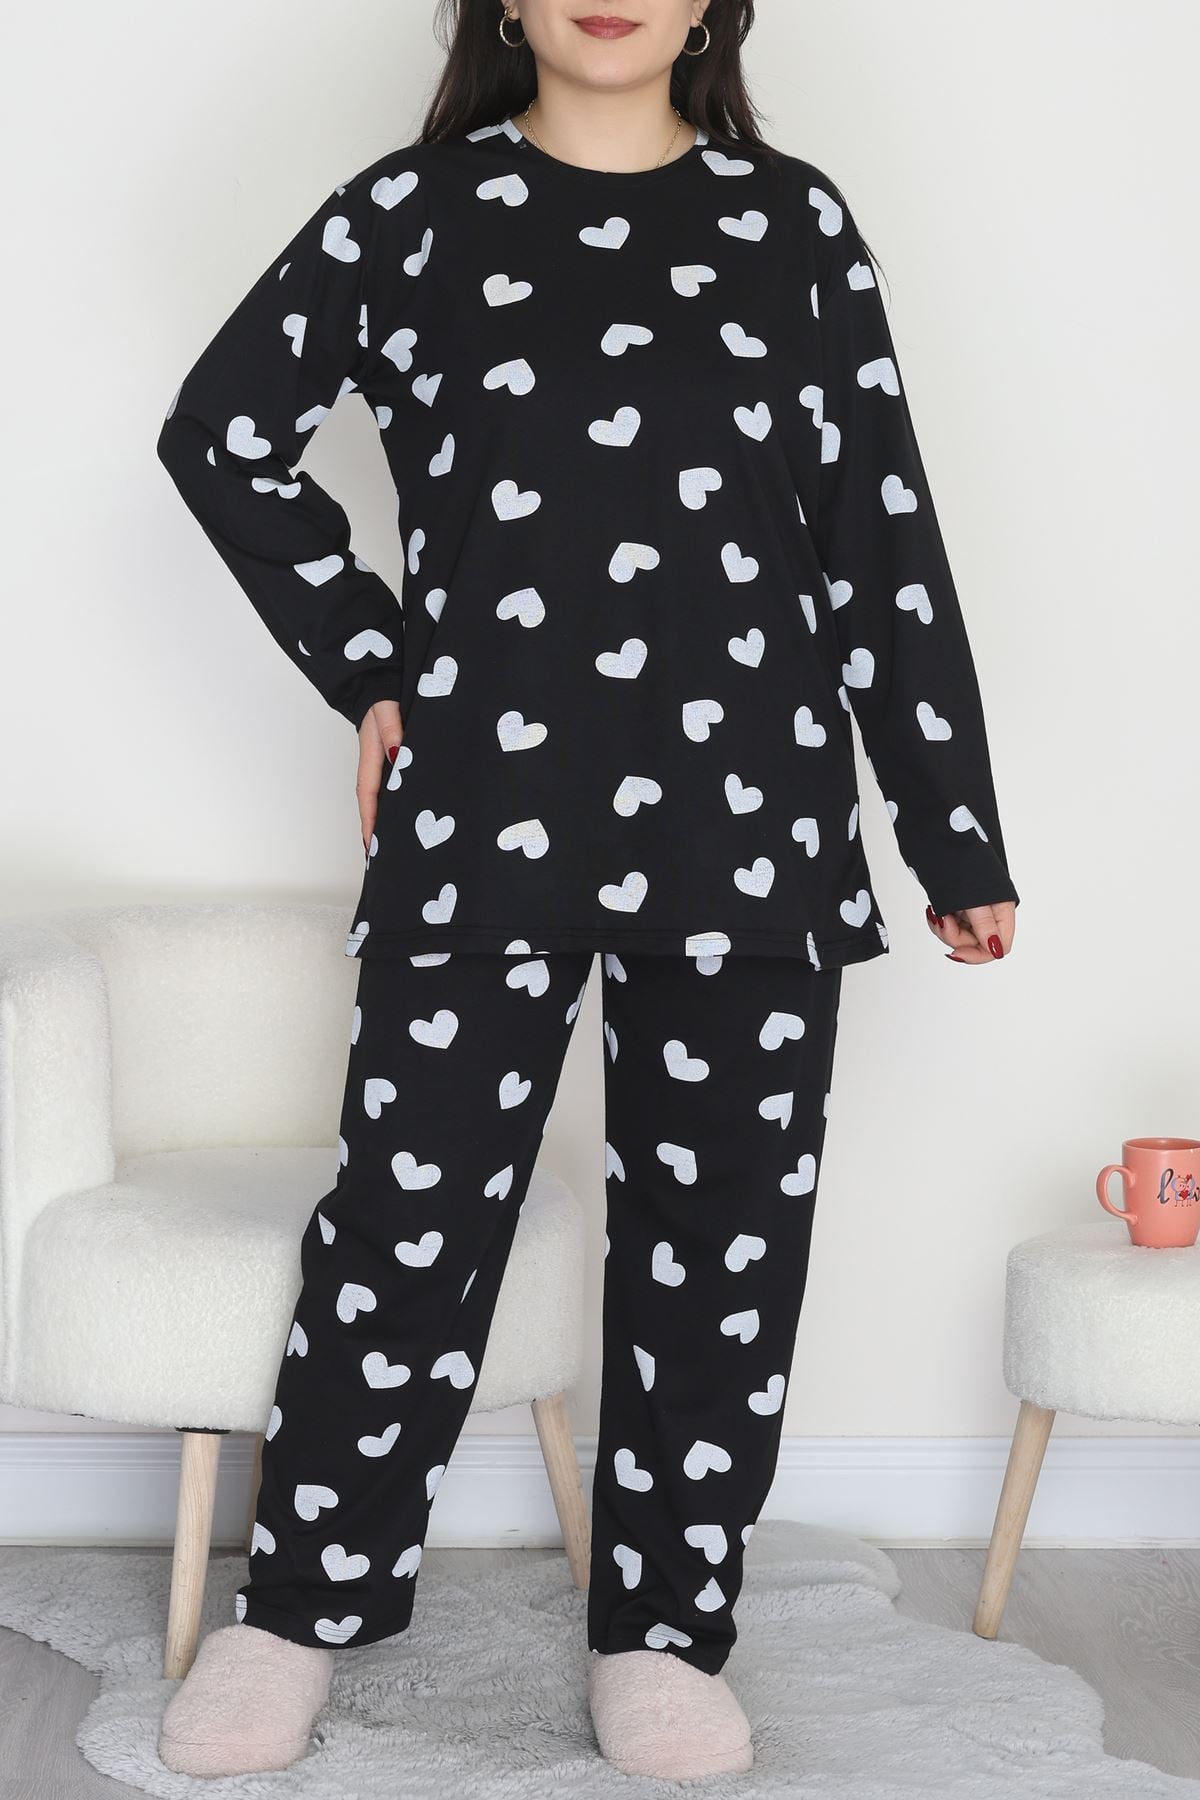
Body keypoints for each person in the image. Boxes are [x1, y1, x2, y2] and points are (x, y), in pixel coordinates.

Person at [153, 0, 1020, 1780]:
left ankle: (666, 1631)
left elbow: (878, 531)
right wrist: (374, 664)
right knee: (408, 1215)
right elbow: (222, 433)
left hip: (750, 810)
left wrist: (952, 831)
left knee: (720, 1241)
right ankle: (296, 1610)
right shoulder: (408, 216)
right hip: (488, 800)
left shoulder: (793, 225)